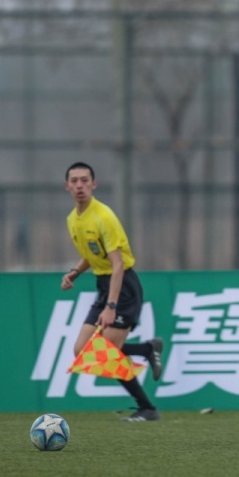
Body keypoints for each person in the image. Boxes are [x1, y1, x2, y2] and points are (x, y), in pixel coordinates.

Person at [61, 162, 163, 422]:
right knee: (82, 350)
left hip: (123, 286)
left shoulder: (103, 217)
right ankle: (146, 349)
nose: (80, 185)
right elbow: (92, 254)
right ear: (67, 186)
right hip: (103, 285)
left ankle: (147, 408)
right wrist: (75, 272)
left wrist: (111, 306)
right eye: (75, 181)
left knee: (106, 351)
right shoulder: (73, 219)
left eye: (85, 180)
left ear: (94, 184)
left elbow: (117, 265)